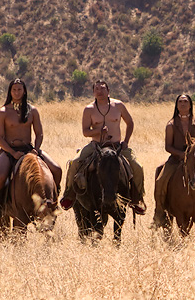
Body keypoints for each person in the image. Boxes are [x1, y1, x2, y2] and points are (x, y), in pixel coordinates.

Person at [59, 80, 146, 214]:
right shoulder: (89, 109)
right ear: (93, 92)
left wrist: (126, 141)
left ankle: (136, 199)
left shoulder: (118, 105)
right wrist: (98, 132)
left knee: (137, 166)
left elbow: (130, 123)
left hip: (117, 147)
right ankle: (69, 195)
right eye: (97, 89)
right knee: (74, 162)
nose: (99, 92)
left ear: (108, 91)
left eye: (102, 89)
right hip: (96, 146)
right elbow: (85, 132)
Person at [0, 78, 62, 219]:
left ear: (24, 91)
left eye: (19, 89)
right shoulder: (2, 112)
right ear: (10, 91)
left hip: (30, 150)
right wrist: (12, 152)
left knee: (57, 169)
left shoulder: (32, 110)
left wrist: (36, 149)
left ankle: (53, 201)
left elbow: (39, 133)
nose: (17, 92)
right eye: (14, 90)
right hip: (9, 152)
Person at [150, 94, 195, 229]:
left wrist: (193, 156)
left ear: (190, 105)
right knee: (161, 180)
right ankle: (159, 213)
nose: (183, 104)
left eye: (185, 102)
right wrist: (183, 154)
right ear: (177, 106)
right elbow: (168, 146)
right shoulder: (171, 124)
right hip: (175, 160)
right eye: (180, 102)